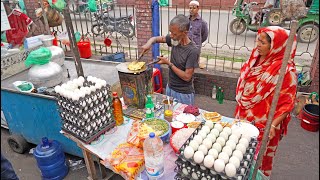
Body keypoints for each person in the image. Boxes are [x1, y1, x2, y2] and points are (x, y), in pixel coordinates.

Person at [234, 26, 297, 177]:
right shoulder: (255, 58)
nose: (258, 45)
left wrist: (273, 125)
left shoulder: (285, 71)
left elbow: (286, 104)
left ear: (276, 46)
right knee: (236, 154)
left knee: (255, 161)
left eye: (263, 42)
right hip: (243, 116)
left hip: (265, 125)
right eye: (258, 40)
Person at [141, 14, 200, 105]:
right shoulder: (175, 40)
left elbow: (187, 77)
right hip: (170, 88)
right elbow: (155, 39)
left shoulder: (192, 51)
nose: (171, 36)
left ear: (185, 33)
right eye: (170, 32)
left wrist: (169, 63)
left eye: (174, 33)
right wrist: (148, 44)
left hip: (183, 94)